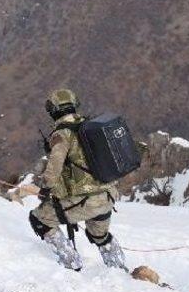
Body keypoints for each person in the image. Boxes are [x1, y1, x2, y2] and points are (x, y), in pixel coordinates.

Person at [28, 89, 127, 271]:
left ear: (54, 110)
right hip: (107, 197)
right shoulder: (90, 127)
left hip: (84, 202)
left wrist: (45, 188)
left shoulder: (62, 134)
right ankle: (119, 269)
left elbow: (55, 165)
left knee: (39, 220)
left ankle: (72, 264)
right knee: (100, 236)